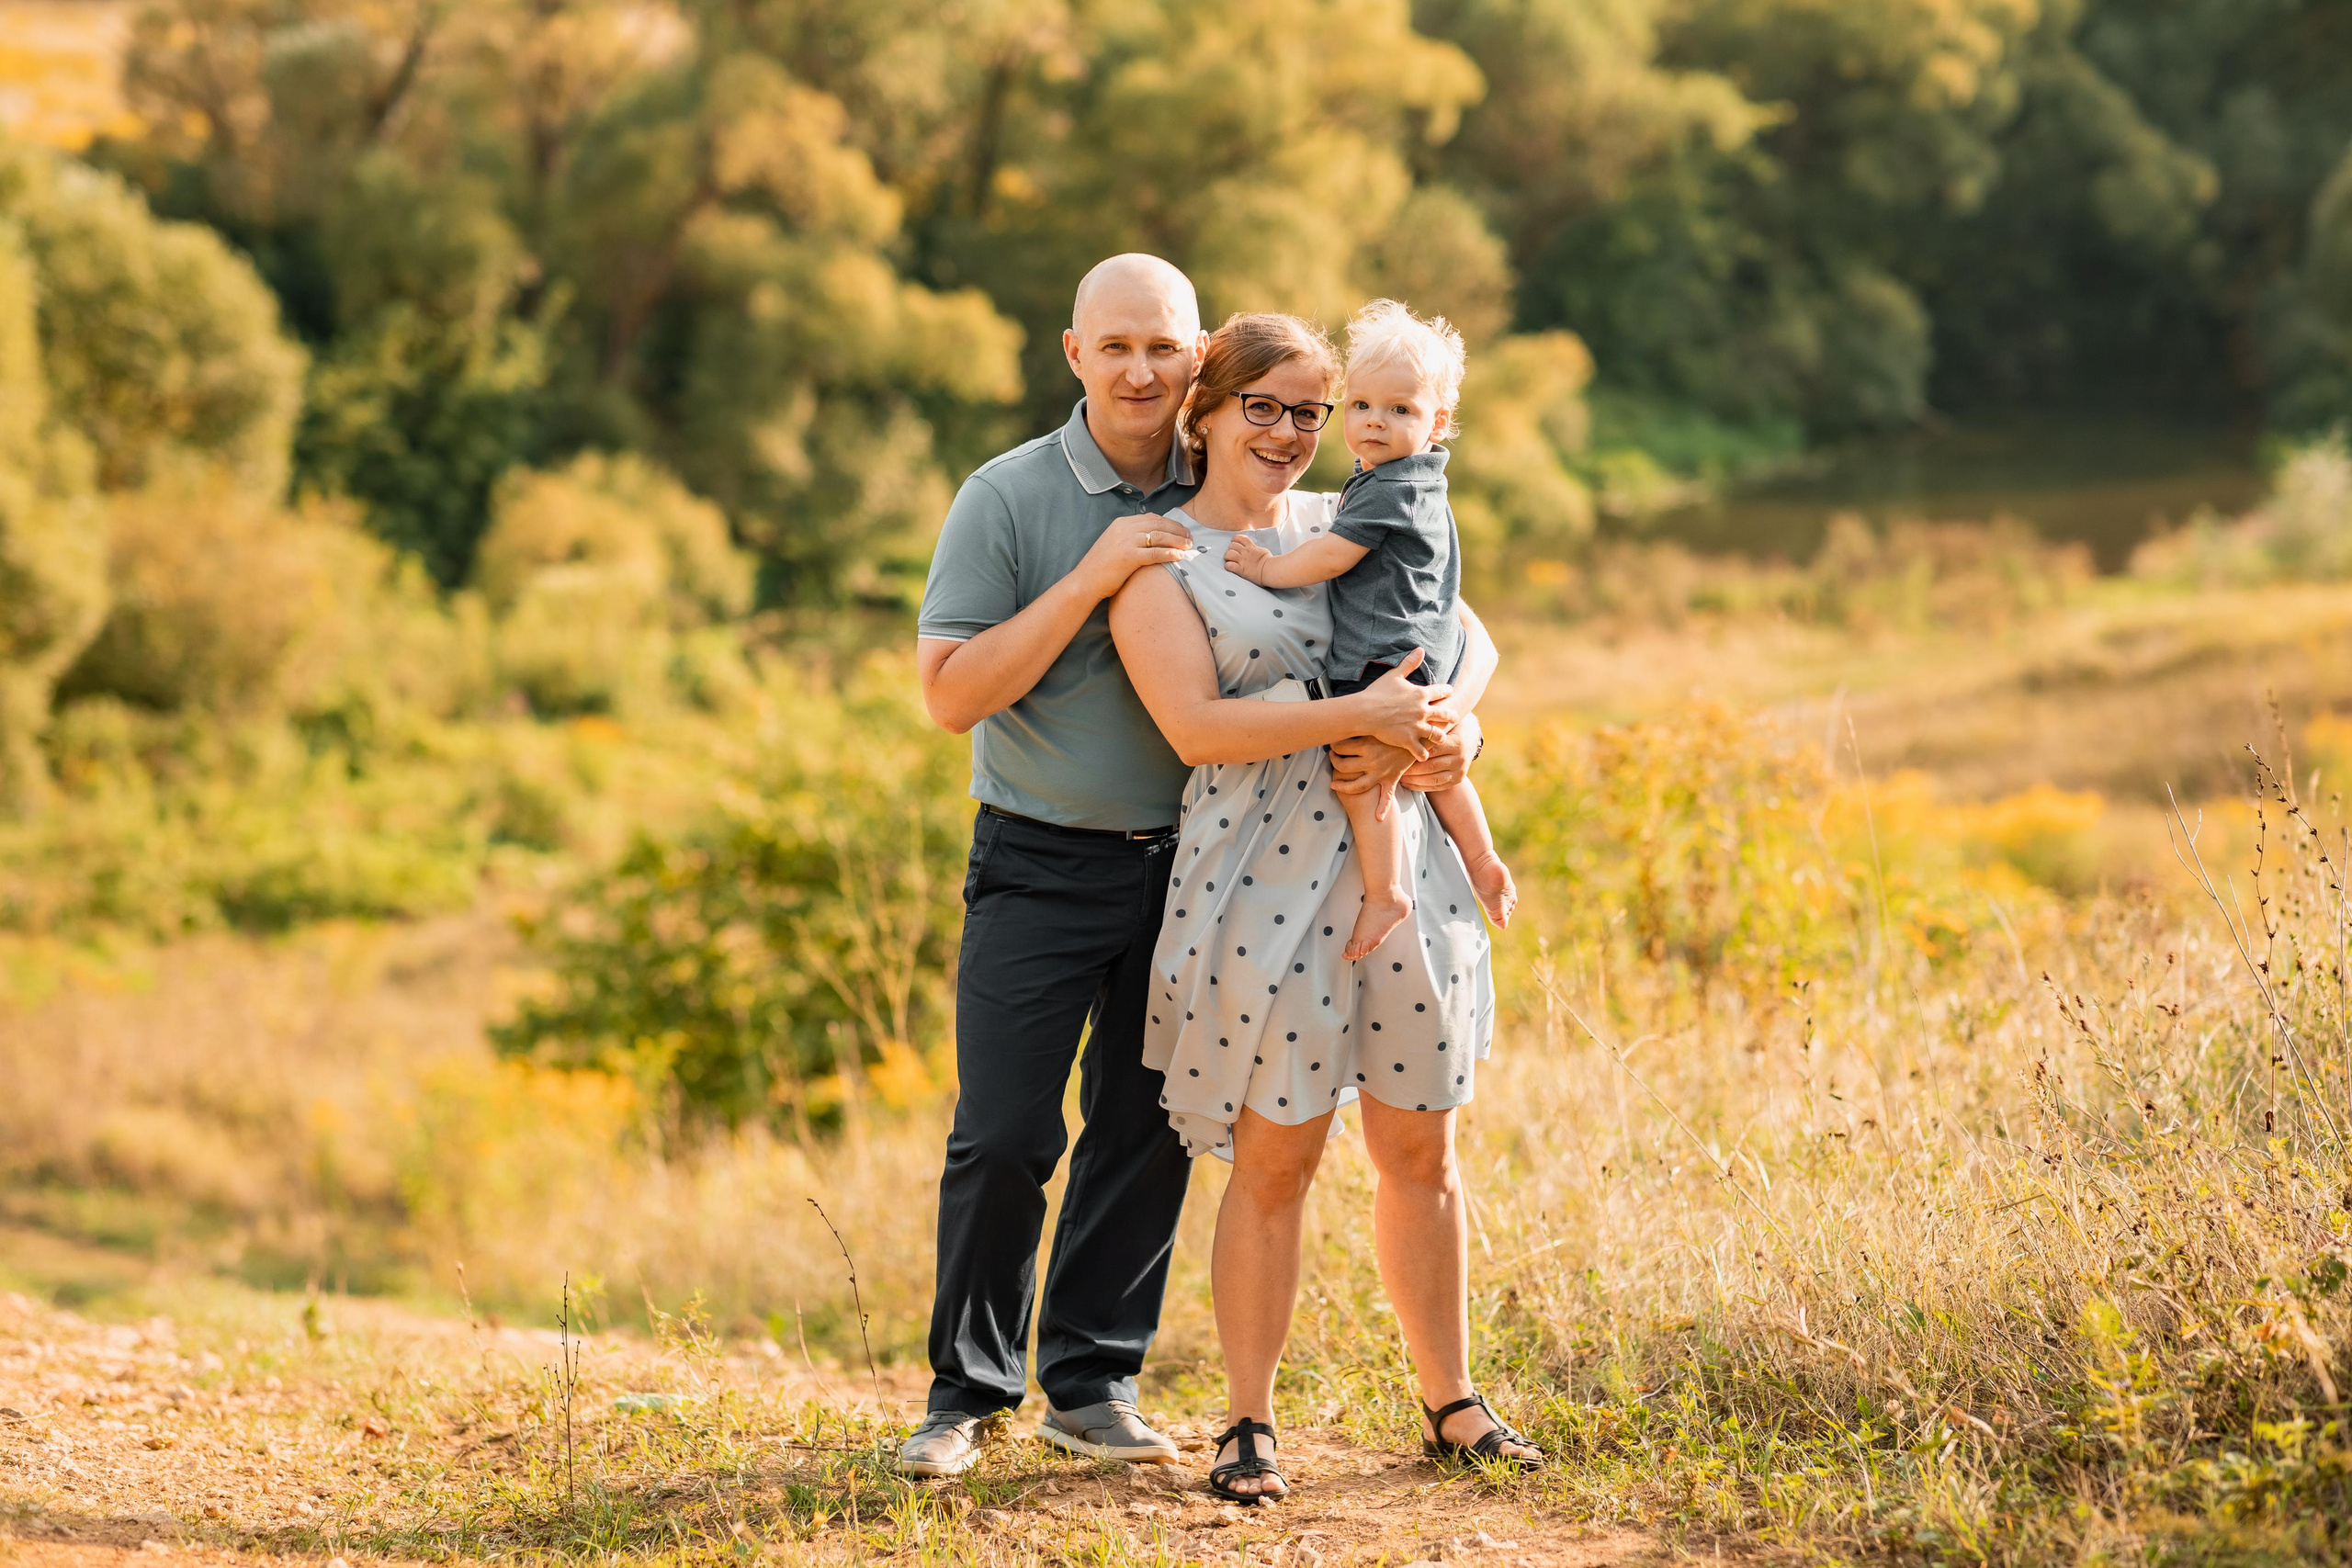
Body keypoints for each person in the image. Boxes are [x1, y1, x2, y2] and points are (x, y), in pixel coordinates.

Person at [902, 256, 1489, 1479]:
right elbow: (955, 696)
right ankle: (966, 1391)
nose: (1142, 368)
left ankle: (1093, 1380)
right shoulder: (1017, 499)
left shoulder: (1301, 506)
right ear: (1074, 351)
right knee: (1007, 1129)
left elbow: (1445, 627)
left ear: (1195, 360)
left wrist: (1457, 721)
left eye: (1163, 346)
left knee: (1147, 1129)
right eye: (1116, 345)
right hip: (1046, 851)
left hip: (1193, 865)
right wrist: (1093, 573)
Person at [1108, 312, 1543, 1506]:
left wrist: (1449, 716)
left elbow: (1467, 636)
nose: (1294, 431)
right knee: (1276, 1157)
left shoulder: (1348, 511)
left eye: (1310, 408)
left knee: (1422, 1146)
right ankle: (1247, 1417)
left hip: (1401, 856)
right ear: (1205, 411)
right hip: (1264, 887)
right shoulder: (1156, 560)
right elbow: (1198, 727)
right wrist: (1361, 721)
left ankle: (1451, 1399)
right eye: (1267, 406)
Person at [1224, 299, 1517, 960]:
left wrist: (1267, 566)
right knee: (1441, 776)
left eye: (1400, 410)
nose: (1374, 422)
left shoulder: (1387, 489)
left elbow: (1332, 556)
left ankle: (1385, 888)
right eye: (1359, 406)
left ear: (1438, 422)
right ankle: (1483, 856)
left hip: (1383, 657)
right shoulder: (1417, 482)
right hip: (1420, 655)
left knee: (1360, 770)